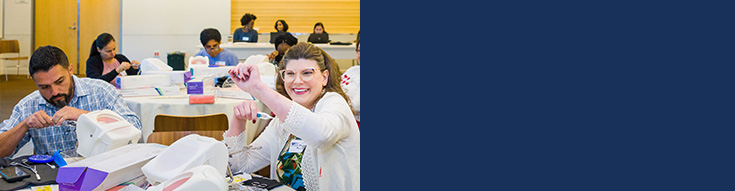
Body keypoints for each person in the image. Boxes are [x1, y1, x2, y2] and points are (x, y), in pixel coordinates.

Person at [225, 42, 359, 190]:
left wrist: (259, 89)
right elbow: (242, 166)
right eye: (290, 74)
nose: (297, 81)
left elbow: (321, 135)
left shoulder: (334, 102)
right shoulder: (282, 122)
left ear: (324, 77)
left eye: (307, 73)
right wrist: (239, 121)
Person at [0, 46, 142, 158]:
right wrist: (24, 125)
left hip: (102, 172)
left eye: (59, 81)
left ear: (70, 70)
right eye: (44, 87)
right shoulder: (28, 105)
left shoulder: (101, 91)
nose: (54, 92)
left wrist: (87, 117)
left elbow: (135, 128)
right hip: (54, 178)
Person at [341, 38, 360, 128]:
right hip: (345, 120)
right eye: (359, 50)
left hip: (355, 124)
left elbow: (356, 106)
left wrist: (336, 101)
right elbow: (334, 87)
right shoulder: (353, 70)